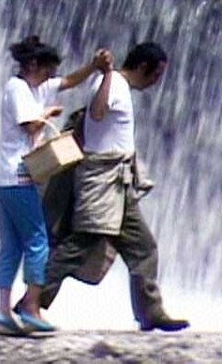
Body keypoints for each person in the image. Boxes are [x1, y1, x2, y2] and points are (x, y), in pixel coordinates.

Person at [33, 42, 189, 332]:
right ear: (143, 67)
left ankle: (150, 312)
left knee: (143, 248)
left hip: (118, 184)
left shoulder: (116, 84)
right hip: (102, 182)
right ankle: (32, 302)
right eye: (157, 74)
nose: (157, 82)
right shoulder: (113, 83)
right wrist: (106, 75)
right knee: (79, 245)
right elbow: (97, 112)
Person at [0, 36, 112, 334]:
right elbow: (30, 125)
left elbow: (68, 82)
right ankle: (31, 307)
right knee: (38, 241)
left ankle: (3, 312)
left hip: (4, 179)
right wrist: (48, 114)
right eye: (47, 70)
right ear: (32, 65)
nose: (50, 76)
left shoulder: (36, 87)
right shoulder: (17, 88)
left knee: (11, 247)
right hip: (18, 178)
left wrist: (94, 67)